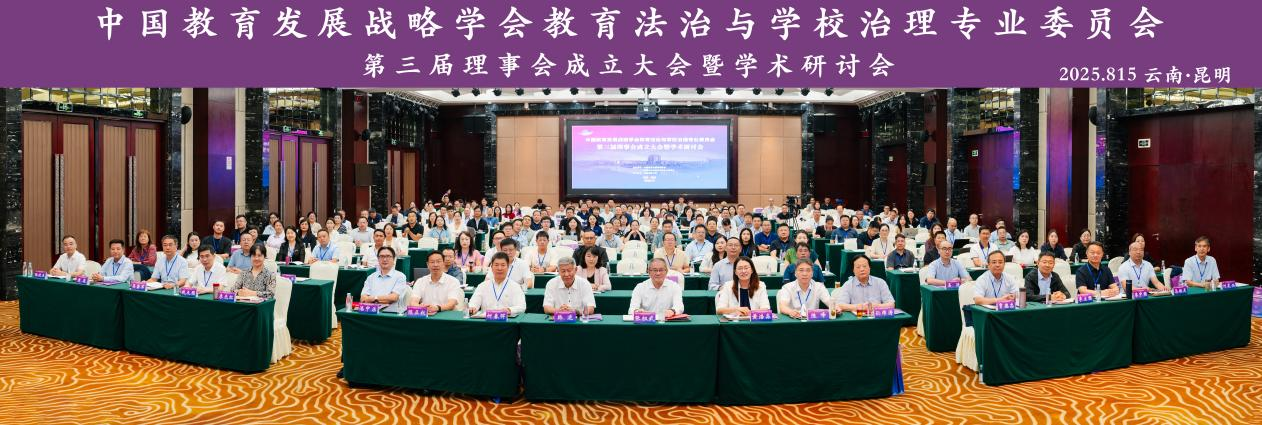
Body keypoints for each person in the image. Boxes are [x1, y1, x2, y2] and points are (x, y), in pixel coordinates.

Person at [355, 246, 409, 313]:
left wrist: (373, 298)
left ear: (394, 259)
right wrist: (384, 299)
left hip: (390, 313)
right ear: (378, 259)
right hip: (371, 312)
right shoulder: (371, 277)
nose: (385, 259)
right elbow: (363, 298)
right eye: (382, 256)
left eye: (388, 256)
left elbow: (393, 297)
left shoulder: (400, 276)